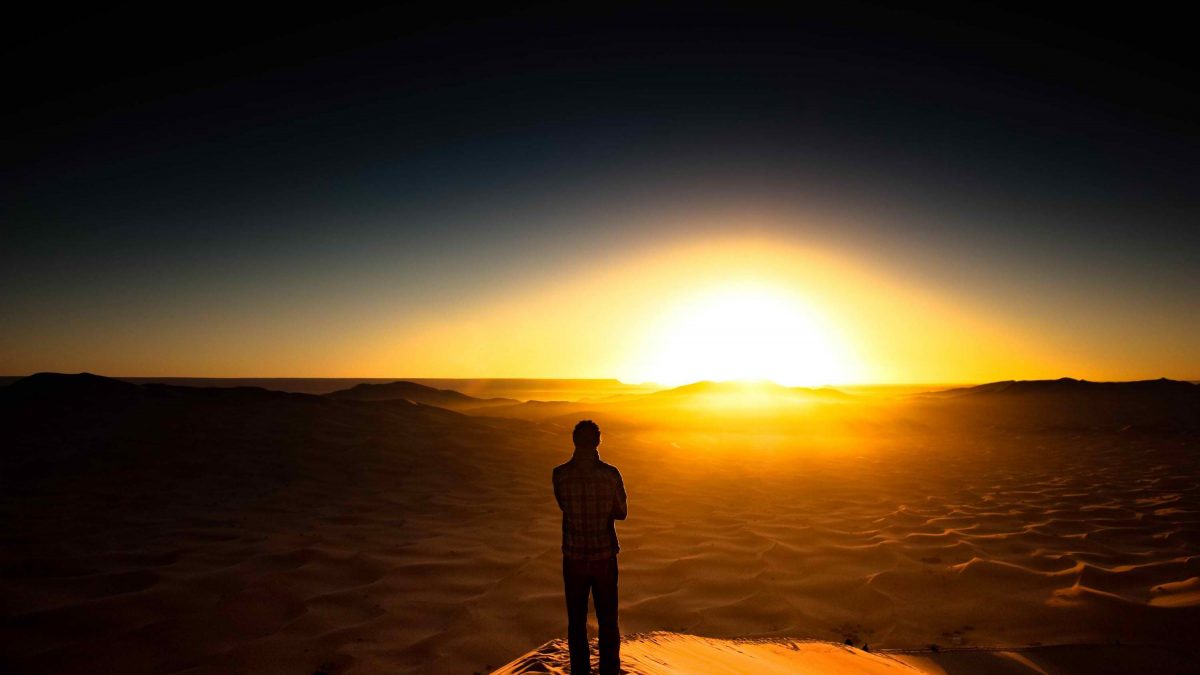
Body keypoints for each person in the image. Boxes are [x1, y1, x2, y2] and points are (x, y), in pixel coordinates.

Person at [552, 419, 627, 674]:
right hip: (604, 557)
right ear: (598, 441)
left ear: (574, 442)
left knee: (576, 622)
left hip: (573, 557)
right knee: (608, 621)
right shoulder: (611, 474)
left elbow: (563, 505)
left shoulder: (560, 474)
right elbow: (622, 512)